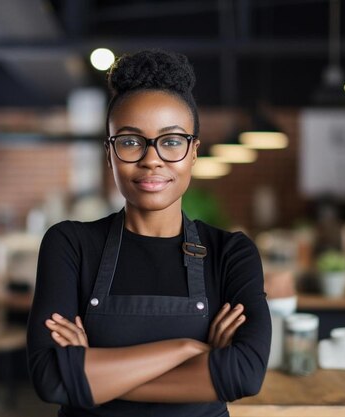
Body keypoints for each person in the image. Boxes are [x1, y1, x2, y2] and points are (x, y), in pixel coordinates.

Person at [27, 49, 271, 417]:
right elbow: (50, 379)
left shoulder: (231, 253)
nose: (151, 158)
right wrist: (187, 349)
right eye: (129, 141)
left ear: (193, 153)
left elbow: (245, 374)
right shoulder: (70, 245)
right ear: (109, 154)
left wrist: (91, 377)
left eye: (171, 141)